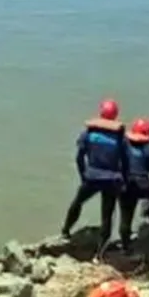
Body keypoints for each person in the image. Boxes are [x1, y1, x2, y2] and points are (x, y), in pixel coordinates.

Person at [61, 99, 129, 248]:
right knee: (107, 214)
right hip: (112, 179)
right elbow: (126, 161)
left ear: (101, 113)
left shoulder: (88, 133)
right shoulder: (120, 137)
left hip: (92, 176)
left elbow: (79, 157)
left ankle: (65, 231)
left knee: (78, 202)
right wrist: (123, 180)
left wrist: (83, 175)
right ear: (115, 115)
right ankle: (101, 250)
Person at [119, 118, 149, 252]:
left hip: (125, 185)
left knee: (126, 216)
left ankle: (125, 246)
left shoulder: (124, 144)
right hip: (143, 186)